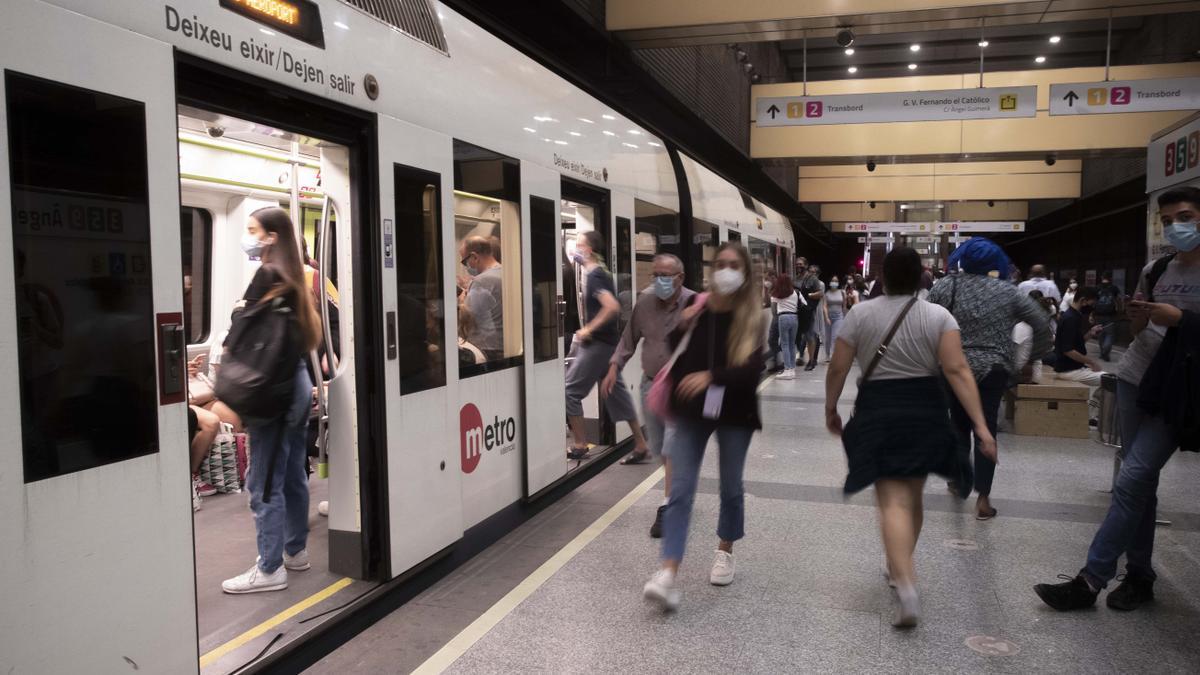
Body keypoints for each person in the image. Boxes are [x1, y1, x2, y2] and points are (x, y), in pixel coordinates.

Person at [1034, 186, 1200, 612]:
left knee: (1131, 480)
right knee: (1139, 482)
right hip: (1135, 377)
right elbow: (1144, 333)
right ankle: (1140, 575)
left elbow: (1182, 328)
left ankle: (1091, 579)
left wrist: (1181, 319)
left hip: (1178, 388)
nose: (1175, 227)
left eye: (1184, 217)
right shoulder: (1157, 268)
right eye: (1166, 221)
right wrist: (1140, 320)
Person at [825, 247, 996, 628]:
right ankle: (899, 566)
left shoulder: (860, 314)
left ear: (883, 277)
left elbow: (838, 367)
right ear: (921, 277)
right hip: (926, 408)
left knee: (892, 501)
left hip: (879, 408)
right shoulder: (939, 316)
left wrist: (830, 408)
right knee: (913, 494)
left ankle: (906, 583)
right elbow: (957, 369)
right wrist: (982, 428)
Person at [642, 243, 764, 612]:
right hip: (692, 411)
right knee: (679, 490)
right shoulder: (698, 307)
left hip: (735, 412)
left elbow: (752, 370)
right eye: (720, 264)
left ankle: (725, 549)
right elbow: (678, 354)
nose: (725, 270)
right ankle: (667, 572)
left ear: (743, 273)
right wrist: (684, 323)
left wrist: (713, 376)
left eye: (733, 265)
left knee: (730, 486)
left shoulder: (753, 315)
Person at [222, 207, 322, 594]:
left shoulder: (266, 275)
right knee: (294, 472)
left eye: (253, 230)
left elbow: (240, 328)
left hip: (274, 389)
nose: (248, 237)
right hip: (295, 382)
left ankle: (269, 567)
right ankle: (294, 551)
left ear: (272, 236)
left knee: (262, 480)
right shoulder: (296, 276)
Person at [929, 239, 1052, 520]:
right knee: (986, 429)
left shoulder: (948, 285)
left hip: (954, 366)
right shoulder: (1008, 291)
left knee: (958, 424)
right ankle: (983, 500)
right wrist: (1032, 357)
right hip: (995, 368)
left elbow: (924, 316)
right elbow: (1041, 323)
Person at [603, 254, 694, 537]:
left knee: (672, 445)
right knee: (659, 447)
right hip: (651, 385)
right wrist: (614, 366)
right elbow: (628, 339)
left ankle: (668, 506)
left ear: (680, 278)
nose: (659, 281)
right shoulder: (644, 301)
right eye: (655, 275)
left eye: (665, 275)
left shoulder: (695, 304)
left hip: (682, 387)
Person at [564, 231, 650, 460]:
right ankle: (641, 444)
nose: (575, 248)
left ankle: (580, 444)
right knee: (616, 393)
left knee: (570, 391)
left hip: (599, 344)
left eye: (579, 245)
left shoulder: (596, 276)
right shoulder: (596, 273)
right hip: (608, 344)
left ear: (589, 250)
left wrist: (588, 329)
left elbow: (611, 307)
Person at [1051, 287, 1106, 393]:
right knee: (1111, 381)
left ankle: (1095, 404)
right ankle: (1096, 405)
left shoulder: (1072, 315)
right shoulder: (1071, 318)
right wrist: (1091, 362)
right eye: (1092, 304)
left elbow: (1074, 343)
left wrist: (1090, 333)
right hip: (1069, 370)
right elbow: (1068, 350)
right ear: (1083, 300)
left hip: (1073, 367)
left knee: (1109, 379)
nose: (1092, 307)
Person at [459, 236, 504, 361]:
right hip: (501, 344)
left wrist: (461, 300)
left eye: (464, 262)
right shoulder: (505, 273)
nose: (465, 266)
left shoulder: (482, 280)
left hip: (486, 347)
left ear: (474, 257)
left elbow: (468, 318)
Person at [770, 273, 800, 379]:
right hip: (795, 318)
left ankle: (787, 370)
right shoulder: (795, 293)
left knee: (785, 344)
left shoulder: (777, 293)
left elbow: (773, 310)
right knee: (792, 344)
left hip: (783, 317)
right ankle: (792, 369)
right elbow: (804, 304)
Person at [799, 264, 825, 370]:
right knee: (808, 336)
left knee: (813, 335)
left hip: (815, 310)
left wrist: (808, 295)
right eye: (810, 271)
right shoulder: (805, 281)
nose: (811, 273)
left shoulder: (819, 283)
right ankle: (809, 358)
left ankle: (813, 359)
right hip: (806, 310)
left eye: (813, 272)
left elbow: (820, 294)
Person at [1094, 274, 1123, 361]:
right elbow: (1118, 300)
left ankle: (1102, 352)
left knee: (1100, 334)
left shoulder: (1097, 287)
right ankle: (1105, 352)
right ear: (1110, 278)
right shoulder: (1114, 288)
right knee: (1109, 334)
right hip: (1110, 315)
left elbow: (1094, 302)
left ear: (1102, 277)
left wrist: (1092, 313)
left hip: (1098, 314)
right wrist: (1120, 312)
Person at [822, 276, 847, 363]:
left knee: (835, 336)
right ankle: (827, 355)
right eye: (833, 281)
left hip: (839, 317)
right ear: (830, 282)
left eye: (836, 281)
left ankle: (833, 355)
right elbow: (824, 306)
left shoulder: (842, 292)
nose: (834, 282)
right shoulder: (826, 293)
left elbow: (844, 305)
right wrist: (826, 317)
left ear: (838, 283)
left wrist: (845, 317)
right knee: (827, 338)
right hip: (829, 317)